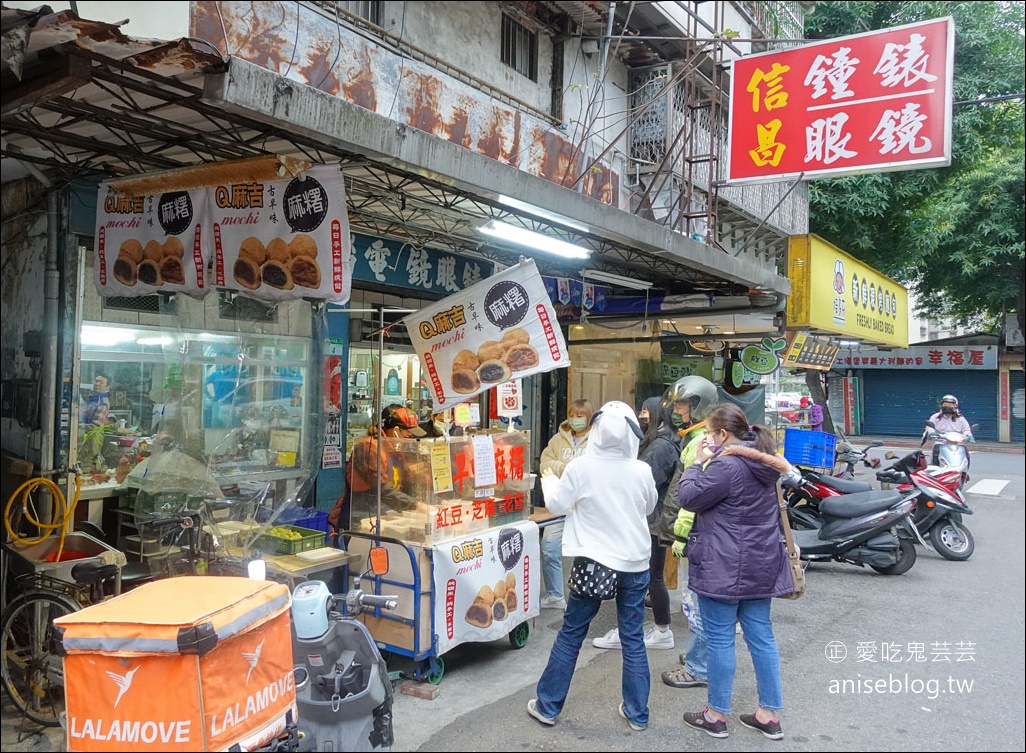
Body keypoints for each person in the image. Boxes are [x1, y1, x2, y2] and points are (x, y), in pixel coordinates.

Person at [527, 401, 657, 731]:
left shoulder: (582, 467)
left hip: (593, 561)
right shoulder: (641, 469)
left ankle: (548, 706)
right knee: (633, 638)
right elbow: (650, 506)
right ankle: (637, 713)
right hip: (635, 562)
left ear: (596, 431)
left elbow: (556, 504)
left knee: (571, 634)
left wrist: (549, 481)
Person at [675, 403, 794, 740]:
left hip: (724, 566)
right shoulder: (765, 462)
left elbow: (689, 497)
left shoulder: (725, 466)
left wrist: (697, 464)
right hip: (761, 564)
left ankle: (715, 715)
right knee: (762, 638)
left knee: (721, 640)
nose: (708, 438)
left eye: (710, 433)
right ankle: (769, 715)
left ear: (722, 434)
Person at [592, 395, 677, 651]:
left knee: (649, 577)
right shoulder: (660, 442)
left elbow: (645, 485)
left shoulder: (661, 446)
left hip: (650, 521)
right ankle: (644, 629)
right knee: (649, 576)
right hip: (651, 519)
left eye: (644, 411)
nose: (641, 416)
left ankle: (657, 630)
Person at [657, 375, 719, 690]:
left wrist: (680, 535)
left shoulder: (700, 442)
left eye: (683, 405)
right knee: (697, 601)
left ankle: (699, 667)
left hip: (695, 535)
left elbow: (689, 496)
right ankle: (700, 657)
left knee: (696, 602)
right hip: (701, 535)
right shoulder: (700, 437)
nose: (679, 411)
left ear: (699, 406)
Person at [328, 403, 427, 535]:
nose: (411, 438)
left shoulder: (396, 448)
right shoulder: (369, 447)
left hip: (385, 516)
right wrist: (415, 505)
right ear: (396, 431)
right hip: (361, 519)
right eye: (409, 434)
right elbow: (381, 488)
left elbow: (406, 478)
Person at [536, 399, 595, 609]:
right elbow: (544, 461)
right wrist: (561, 467)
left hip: (585, 505)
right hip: (560, 501)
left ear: (589, 417)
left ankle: (586, 594)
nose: (575, 419)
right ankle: (555, 595)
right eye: (572, 414)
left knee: (587, 550)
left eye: (580, 415)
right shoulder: (557, 440)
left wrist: (577, 470)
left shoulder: (596, 439)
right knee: (549, 548)